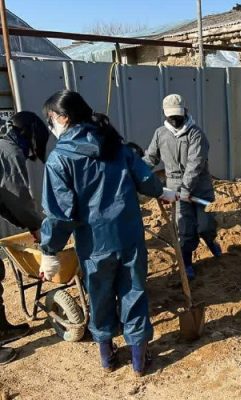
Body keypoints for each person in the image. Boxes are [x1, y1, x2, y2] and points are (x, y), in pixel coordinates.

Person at [39, 90, 174, 376]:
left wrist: (49, 250)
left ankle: (107, 358)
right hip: (129, 237)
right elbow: (148, 180)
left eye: (51, 118)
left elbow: (60, 214)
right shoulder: (116, 146)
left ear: (64, 118)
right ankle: (139, 360)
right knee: (134, 292)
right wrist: (162, 191)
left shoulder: (59, 160)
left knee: (99, 296)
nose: (51, 125)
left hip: (94, 243)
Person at [144, 94, 220, 280]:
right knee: (185, 230)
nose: (175, 120)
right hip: (176, 189)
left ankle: (210, 240)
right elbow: (151, 158)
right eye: (171, 116)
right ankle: (186, 263)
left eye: (178, 115)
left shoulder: (196, 134)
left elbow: (195, 164)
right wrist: (137, 170)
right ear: (165, 114)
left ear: (185, 111)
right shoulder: (160, 133)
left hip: (199, 187)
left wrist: (185, 191)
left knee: (204, 225)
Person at [0, 111, 49, 365]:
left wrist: (29, 224)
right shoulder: (9, 152)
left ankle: (1, 329)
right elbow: (18, 198)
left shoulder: (3, 146)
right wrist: (37, 225)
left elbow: (5, 204)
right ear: (28, 135)